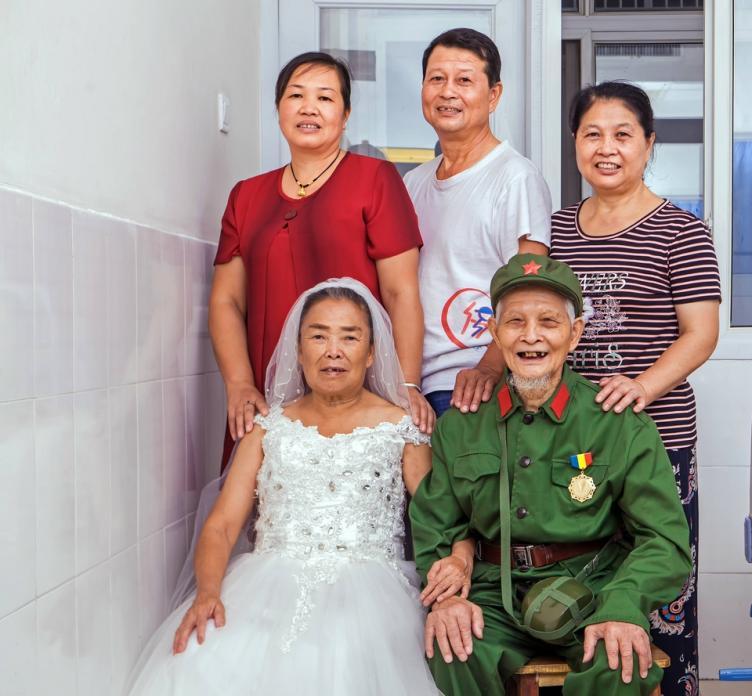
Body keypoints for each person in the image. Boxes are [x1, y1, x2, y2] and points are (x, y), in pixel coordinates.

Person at [128, 279, 472, 695]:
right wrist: (208, 593)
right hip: (265, 586)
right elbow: (221, 526)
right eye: (319, 335)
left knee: (345, 665)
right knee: (203, 659)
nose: (333, 350)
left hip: (372, 596)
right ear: (298, 350)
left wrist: (461, 557)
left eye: (349, 337)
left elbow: (444, 514)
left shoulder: (402, 428)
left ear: (370, 354)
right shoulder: (268, 428)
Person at [410, 254, 692, 696]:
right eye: (515, 321)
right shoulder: (462, 423)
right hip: (492, 590)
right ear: (494, 333)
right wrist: (447, 594)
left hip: (594, 586)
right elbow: (436, 522)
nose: (531, 336)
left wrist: (623, 603)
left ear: (574, 333)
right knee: (452, 648)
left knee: (620, 662)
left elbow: (665, 541)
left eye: (548, 321)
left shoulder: (615, 421)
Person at [550, 82, 721, 696]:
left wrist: (642, 386)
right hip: (573, 444)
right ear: (575, 143)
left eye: (623, 135)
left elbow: (701, 334)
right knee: (584, 584)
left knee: (660, 589)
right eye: (592, 134)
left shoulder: (681, 231)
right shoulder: (555, 232)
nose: (607, 148)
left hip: (657, 438)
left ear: (649, 144)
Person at [212, 51, 434, 474]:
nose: (309, 107)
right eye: (296, 95)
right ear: (279, 108)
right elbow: (226, 301)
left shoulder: (375, 180)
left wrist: (405, 383)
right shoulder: (246, 196)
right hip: (267, 396)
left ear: (345, 114)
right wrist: (238, 383)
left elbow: (401, 291)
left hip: (358, 392)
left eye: (325, 98)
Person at [404, 28, 552, 418]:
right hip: (413, 387)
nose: (447, 91)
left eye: (464, 80)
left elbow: (528, 288)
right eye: (437, 78)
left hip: (476, 389)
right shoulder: (412, 183)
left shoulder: (516, 177)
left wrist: (488, 367)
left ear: (493, 95)